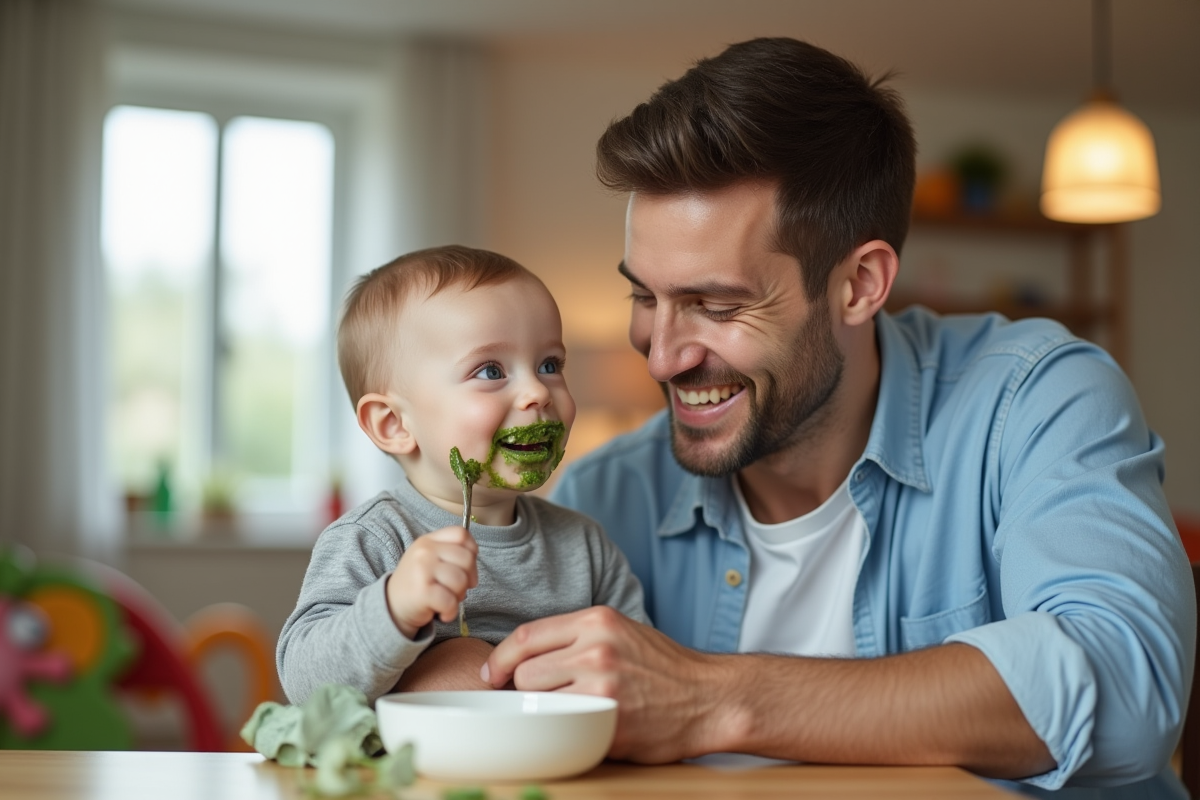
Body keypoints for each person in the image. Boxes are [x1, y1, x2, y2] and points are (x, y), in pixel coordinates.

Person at [405, 38, 1195, 797]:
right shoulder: (610, 497)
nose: (662, 357)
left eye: (716, 305)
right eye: (645, 296)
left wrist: (713, 699)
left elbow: (1128, 690)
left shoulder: (1036, 400)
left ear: (859, 285)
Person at [276, 245, 648, 705]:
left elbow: (641, 674)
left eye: (550, 365)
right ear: (394, 425)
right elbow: (305, 684)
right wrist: (393, 608)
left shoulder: (584, 547)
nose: (537, 391)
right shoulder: (373, 539)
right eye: (490, 371)